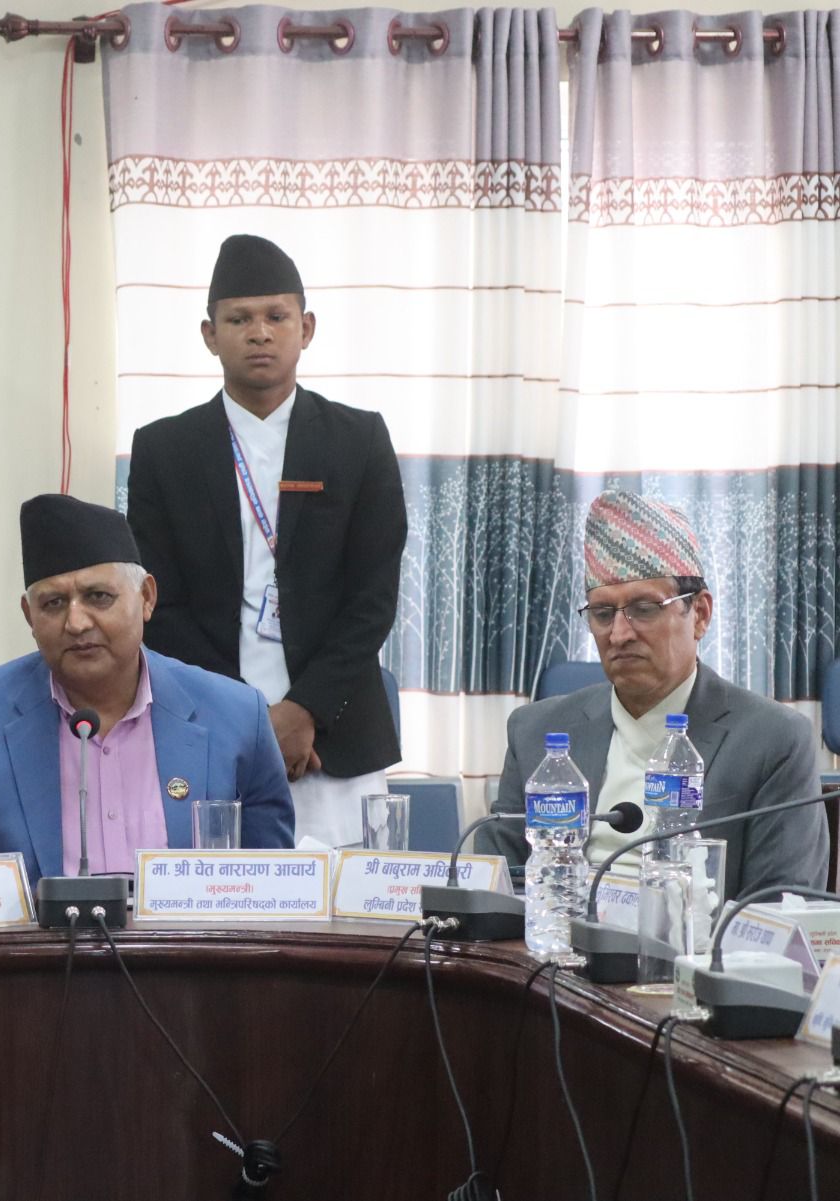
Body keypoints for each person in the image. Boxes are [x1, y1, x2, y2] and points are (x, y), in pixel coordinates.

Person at [126, 234, 407, 849]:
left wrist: (304, 711)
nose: (259, 333)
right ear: (210, 335)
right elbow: (157, 605)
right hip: (208, 728)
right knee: (218, 899)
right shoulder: (163, 450)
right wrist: (245, 718)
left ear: (306, 328)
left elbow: (373, 598)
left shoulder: (358, 440)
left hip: (335, 735)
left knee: (344, 903)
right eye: (239, 319)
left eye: (276, 317)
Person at [0, 494, 294, 881]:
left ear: (146, 598)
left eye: (98, 597)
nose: (76, 623)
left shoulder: (237, 718)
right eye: (54, 603)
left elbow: (275, 890)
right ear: (29, 616)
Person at [482, 490, 830, 899]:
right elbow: (493, 889)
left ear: (699, 614)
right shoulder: (537, 730)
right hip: (553, 935)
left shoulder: (773, 739)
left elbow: (782, 904)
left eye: (644, 609)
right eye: (602, 613)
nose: (619, 634)